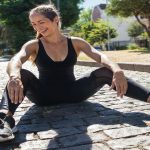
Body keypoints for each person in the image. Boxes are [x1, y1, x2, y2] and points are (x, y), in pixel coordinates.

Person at [0, 4, 150, 143]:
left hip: (74, 92)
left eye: (42, 22)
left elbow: (100, 56)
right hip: (44, 95)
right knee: (22, 74)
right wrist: (14, 76)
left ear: (56, 19)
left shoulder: (76, 42)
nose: (38, 27)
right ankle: (5, 121)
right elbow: (16, 60)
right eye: (34, 24)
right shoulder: (34, 45)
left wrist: (117, 69)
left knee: (105, 71)